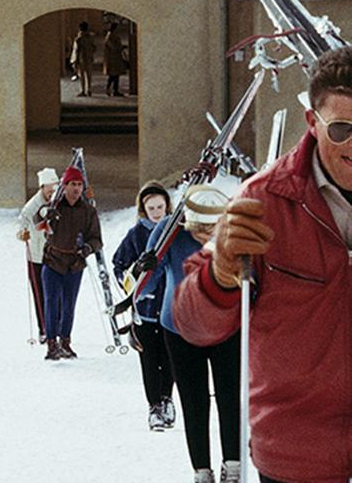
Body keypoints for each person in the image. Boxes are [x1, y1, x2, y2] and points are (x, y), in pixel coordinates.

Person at [173, 43, 352, 483]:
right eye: (342, 129)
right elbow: (193, 323)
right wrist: (221, 273)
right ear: (312, 122)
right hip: (298, 457)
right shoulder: (263, 200)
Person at [157, 191, 240, 482]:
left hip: (227, 326)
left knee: (230, 397)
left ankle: (232, 464)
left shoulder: (236, 234)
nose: (205, 235)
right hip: (180, 328)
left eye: (212, 228)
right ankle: (201, 470)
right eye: (199, 228)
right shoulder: (169, 233)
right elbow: (149, 273)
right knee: (194, 400)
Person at [111, 181, 176, 431]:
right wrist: (134, 274)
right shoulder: (136, 235)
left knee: (170, 357)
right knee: (149, 359)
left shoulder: (174, 232)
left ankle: (167, 398)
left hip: (170, 307)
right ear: (144, 209)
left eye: (160, 207)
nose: (157, 212)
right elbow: (119, 265)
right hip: (145, 311)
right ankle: (154, 406)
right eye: (152, 208)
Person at [39, 165, 100, 359]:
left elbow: (97, 239)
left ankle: (65, 341)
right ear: (64, 186)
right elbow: (37, 216)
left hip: (74, 264)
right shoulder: (54, 207)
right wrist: (46, 216)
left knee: (68, 304)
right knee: (51, 302)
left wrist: (88, 248)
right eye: (72, 184)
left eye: (79, 185)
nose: (76, 189)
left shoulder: (89, 211)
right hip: (53, 261)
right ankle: (51, 343)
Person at [15, 166, 59, 346]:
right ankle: (44, 329)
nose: (51, 194)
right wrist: (21, 234)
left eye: (54, 190)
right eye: (48, 191)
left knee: (57, 294)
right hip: (37, 256)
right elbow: (21, 226)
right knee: (41, 294)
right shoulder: (31, 207)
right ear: (42, 188)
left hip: (56, 255)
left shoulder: (58, 201)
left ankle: (57, 328)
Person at [70, 22, 96, 98]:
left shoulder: (78, 39)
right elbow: (94, 48)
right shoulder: (91, 37)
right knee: (89, 75)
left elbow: (77, 50)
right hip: (89, 58)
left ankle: (83, 90)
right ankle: (89, 90)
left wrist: (75, 61)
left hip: (81, 59)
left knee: (82, 76)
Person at [103, 20, 128, 98]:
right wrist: (121, 47)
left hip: (115, 58)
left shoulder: (112, 35)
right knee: (113, 75)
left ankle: (114, 90)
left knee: (115, 75)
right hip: (112, 58)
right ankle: (110, 89)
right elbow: (113, 47)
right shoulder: (110, 36)